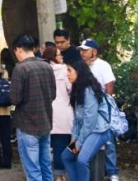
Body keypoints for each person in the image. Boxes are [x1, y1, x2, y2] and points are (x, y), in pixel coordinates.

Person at [9, 34, 56, 181]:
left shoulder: (20, 69)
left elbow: (15, 99)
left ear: (18, 49)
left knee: (33, 171)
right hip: (46, 123)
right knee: (46, 167)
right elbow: (53, 95)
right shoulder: (47, 66)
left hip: (27, 126)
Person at [60, 59, 112, 181]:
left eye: (69, 70)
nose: (67, 74)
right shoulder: (78, 90)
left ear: (79, 72)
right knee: (66, 157)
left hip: (98, 131)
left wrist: (79, 143)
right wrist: (74, 137)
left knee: (82, 160)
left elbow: (90, 120)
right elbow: (77, 119)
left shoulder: (89, 90)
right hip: (86, 131)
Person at [79, 38, 119, 181]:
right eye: (81, 50)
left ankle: (112, 171)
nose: (82, 53)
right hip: (85, 108)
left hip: (101, 108)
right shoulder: (81, 66)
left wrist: (107, 104)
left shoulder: (103, 65)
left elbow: (109, 85)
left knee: (107, 139)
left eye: (85, 50)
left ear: (94, 51)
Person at [43, 46, 73, 181]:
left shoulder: (42, 71)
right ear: (52, 57)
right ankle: (67, 174)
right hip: (64, 112)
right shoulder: (64, 70)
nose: (62, 57)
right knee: (68, 145)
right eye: (59, 55)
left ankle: (56, 176)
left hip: (48, 113)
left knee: (54, 146)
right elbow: (71, 89)